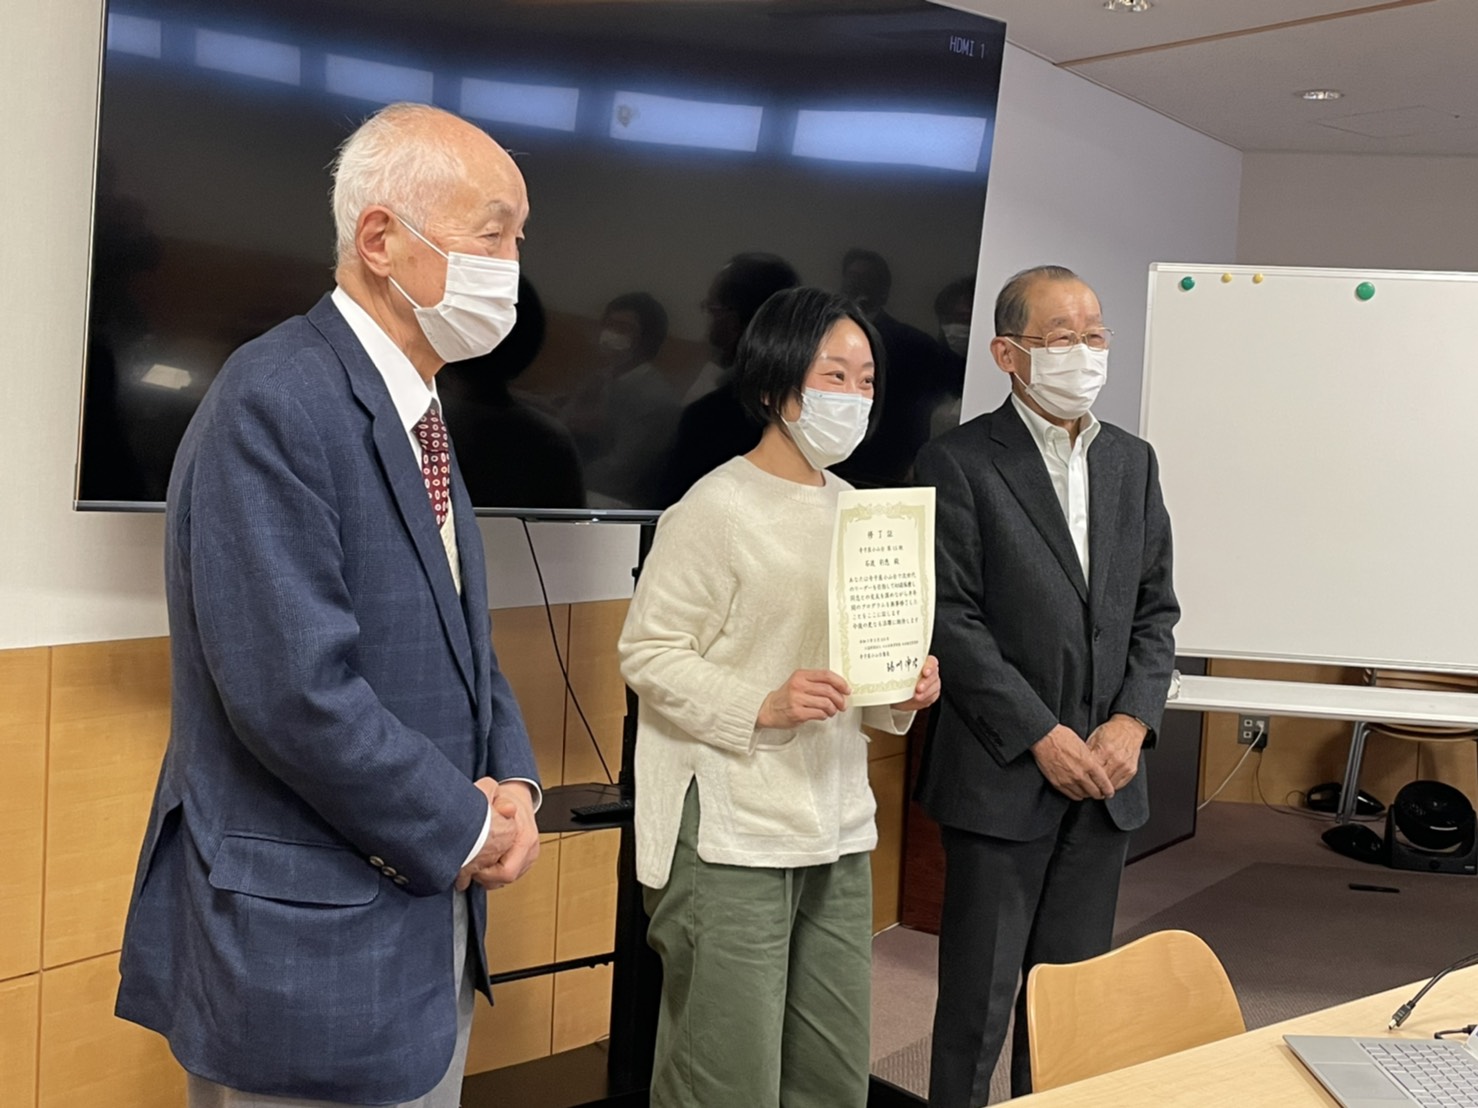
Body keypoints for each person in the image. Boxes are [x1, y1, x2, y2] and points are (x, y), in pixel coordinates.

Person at [115, 102, 544, 1108]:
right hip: (310, 945)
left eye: (517, 237)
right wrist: (463, 824)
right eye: (494, 233)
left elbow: (457, 636)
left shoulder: (420, 410)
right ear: (381, 239)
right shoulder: (275, 400)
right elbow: (296, 694)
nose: (514, 262)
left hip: (417, 911)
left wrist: (512, 774)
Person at [619, 286, 942, 1107]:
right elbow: (648, 654)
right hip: (730, 827)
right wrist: (761, 702)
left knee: (831, 1070)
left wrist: (902, 686)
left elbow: (859, 673)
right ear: (775, 387)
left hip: (833, 818)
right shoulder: (715, 507)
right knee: (726, 1074)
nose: (856, 397)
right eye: (834, 375)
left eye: (867, 380)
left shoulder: (858, 511)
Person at [914, 265, 1179, 1106]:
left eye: (1095, 335)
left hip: (1106, 780)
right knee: (977, 1008)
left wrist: (1132, 722)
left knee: (1070, 1005)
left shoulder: (1133, 462)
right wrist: (1043, 735)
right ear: (1008, 352)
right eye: (1062, 337)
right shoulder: (956, 460)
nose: (1086, 352)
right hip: (1004, 776)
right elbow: (949, 620)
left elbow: (1155, 613)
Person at [659, 252, 801, 504]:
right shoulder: (814, 412)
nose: (709, 325)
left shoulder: (708, 417)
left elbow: (670, 510)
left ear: (733, 322)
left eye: (712, 310)